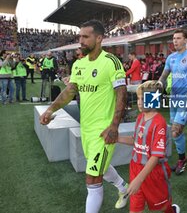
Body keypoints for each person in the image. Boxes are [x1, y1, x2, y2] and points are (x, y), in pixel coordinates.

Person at [39, 20, 129, 213]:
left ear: (99, 38)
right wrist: (50, 109)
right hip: (86, 129)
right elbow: (70, 92)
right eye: (80, 36)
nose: (80, 41)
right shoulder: (79, 64)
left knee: (92, 178)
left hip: (103, 130)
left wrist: (114, 126)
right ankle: (124, 187)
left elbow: (122, 94)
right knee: (100, 170)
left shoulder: (111, 62)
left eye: (85, 37)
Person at [116, 80, 180, 213]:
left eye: (142, 98)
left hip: (153, 172)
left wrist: (139, 179)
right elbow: (136, 140)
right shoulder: (140, 117)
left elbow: (156, 156)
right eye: (138, 98)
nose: (139, 102)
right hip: (135, 167)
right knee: (135, 208)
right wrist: (116, 138)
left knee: (162, 207)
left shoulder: (159, 123)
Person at [157, 29, 187, 175]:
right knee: (176, 131)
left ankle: (181, 160)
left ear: (185, 40)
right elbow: (164, 76)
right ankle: (182, 159)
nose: (175, 41)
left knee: (175, 130)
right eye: (173, 38)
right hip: (174, 98)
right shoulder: (171, 58)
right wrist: (159, 84)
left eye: (178, 38)